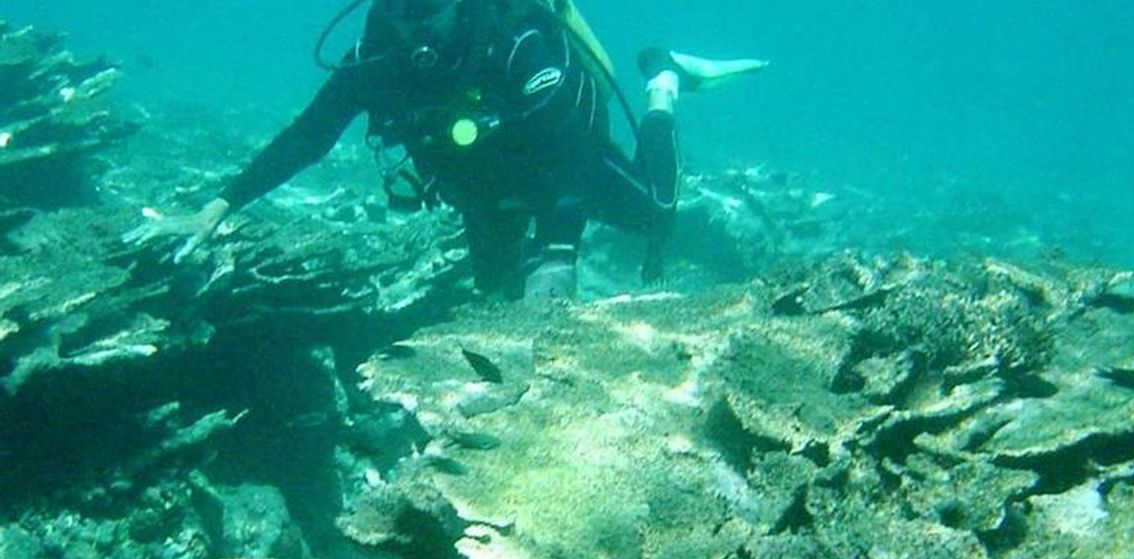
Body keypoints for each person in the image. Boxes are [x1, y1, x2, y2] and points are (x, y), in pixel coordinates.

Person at [125, 0, 766, 300]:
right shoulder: (376, 57)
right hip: (479, 187)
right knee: (497, 298)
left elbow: (569, 146)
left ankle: (664, 77)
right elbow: (307, 137)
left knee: (658, 214)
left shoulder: (511, 35)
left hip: (562, 159)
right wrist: (218, 206)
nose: (416, 23)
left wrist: (561, 248)